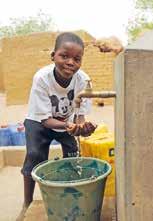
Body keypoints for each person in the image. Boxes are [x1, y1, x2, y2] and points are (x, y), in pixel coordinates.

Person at [17, 32, 96, 220]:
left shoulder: (83, 81)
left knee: (73, 153)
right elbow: (45, 120)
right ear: (53, 56)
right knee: (35, 155)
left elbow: (79, 117)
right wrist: (70, 125)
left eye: (77, 59)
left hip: (66, 121)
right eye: (64, 56)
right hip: (38, 121)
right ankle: (27, 201)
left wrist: (82, 128)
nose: (70, 62)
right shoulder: (42, 78)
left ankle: (69, 196)